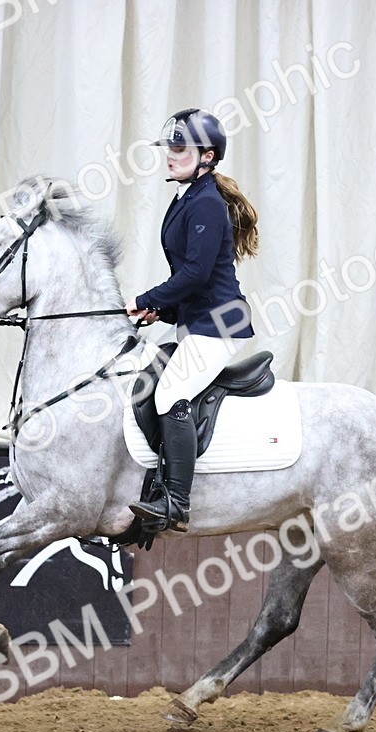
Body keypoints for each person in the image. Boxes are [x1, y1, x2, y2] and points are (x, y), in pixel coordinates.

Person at [125, 108, 259, 532]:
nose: (169, 155)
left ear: (208, 156)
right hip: (196, 321)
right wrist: (160, 309)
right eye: (169, 146)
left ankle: (176, 503)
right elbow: (188, 278)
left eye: (179, 148)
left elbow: (198, 275)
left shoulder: (205, 203)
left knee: (169, 394)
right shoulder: (185, 199)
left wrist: (145, 298)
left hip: (218, 325)